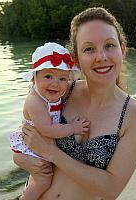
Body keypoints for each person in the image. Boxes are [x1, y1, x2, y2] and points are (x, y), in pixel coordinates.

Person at [14, 7, 136, 200]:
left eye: (109, 45)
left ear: (123, 49)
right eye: (89, 49)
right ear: (76, 60)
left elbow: (111, 190)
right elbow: (26, 135)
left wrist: (51, 153)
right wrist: (21, 159)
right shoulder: (62, 91)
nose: (101, 57)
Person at [10, 42, 90, 200]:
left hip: (42, 145)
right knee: (43, 180)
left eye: (62, 78)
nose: (55, 83)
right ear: (34, 79)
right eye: (48, 76)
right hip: (30, 146)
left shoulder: (54, 94)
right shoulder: (35, 101)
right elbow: (47, 129)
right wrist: (73, 128)